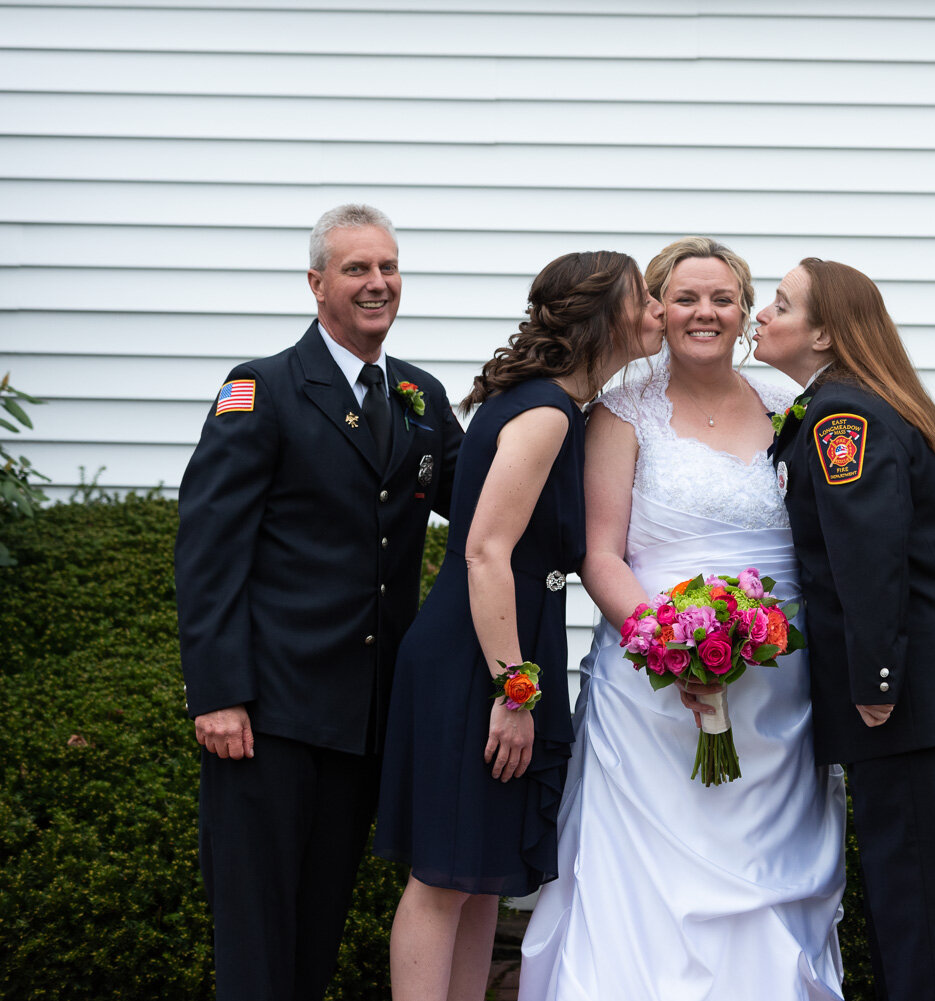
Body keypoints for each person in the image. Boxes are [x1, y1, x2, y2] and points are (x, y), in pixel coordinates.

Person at [519, 237, 846, 1001]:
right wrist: (672, 649)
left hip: (778, 690)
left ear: (745, 312)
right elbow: (602, 555)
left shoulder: (786, 407)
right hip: (652, 689)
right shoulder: (621, 413)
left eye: (723, 298)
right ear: (657, 310)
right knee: (648, 880)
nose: (706, 312)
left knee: (767, 873)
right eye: (687, 297)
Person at [175, 203, 465, 1001]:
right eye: (357, 269)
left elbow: (484, 505)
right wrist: (219, 692)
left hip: (361, 717)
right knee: (256, 935)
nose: (378, 284)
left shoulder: (417, 393)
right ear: (316, 283)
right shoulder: (261, 388)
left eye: (388, 267)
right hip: (265, 715)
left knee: (317, 932)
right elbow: (207, 553)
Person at [374, 251, 664, 1000]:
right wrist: (514, 688)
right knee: (442, 878)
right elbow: (484, 551)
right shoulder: (542, 414)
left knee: (478, 879)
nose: (659, 313)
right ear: (605, 318)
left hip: (505, 650)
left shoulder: (564, 408)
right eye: (646, 300)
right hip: (477, 659)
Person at [759, 258, 935, 1001]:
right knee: (922, 880)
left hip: (905, 693)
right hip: (920, 686)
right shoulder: (849, 403)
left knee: (922, 889)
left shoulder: (845, 416)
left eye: (780, 304)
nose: (761, 316)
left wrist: (875, 681)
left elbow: (867, 559)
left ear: (827, 332)